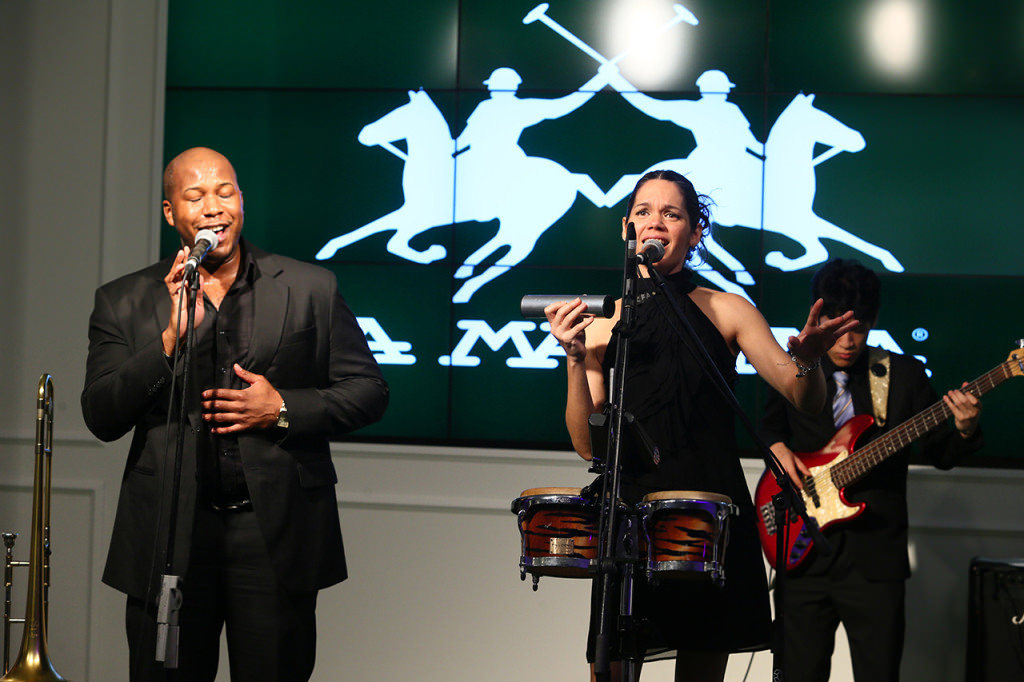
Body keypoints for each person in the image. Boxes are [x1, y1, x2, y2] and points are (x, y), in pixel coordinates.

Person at [81, 147, 389, 681]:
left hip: (274, 536)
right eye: (195, 196)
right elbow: (102, 416)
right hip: (169, 536)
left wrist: (282, 408)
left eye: (225, 192)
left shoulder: (311, 288)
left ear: (241, 200)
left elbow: (369, 391)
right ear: (170, 212)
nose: (213, 207)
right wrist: (170, 341)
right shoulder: (123, 300)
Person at [543, 169, 858, 682]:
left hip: (708, 514)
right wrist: (576, 360)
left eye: (671, 213)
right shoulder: (601, 324)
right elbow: (586, 445)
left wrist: (810, 360)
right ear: (627, 228)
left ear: (694, 232)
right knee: (610, 665)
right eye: (643, 211)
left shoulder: (728, 309)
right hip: (631, 519)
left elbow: (803, 396)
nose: (655, 222)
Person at [758, 258, 982, 682]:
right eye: (837, 330)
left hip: (876, 562)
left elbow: (941, 453)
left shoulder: (905, 374)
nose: (848, 342)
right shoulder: (796, 370)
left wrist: (965, 428)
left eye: (858, 330)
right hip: (803, 556)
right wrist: (775, 448)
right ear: (818, 319)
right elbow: (768, 428)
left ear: (874, 320)